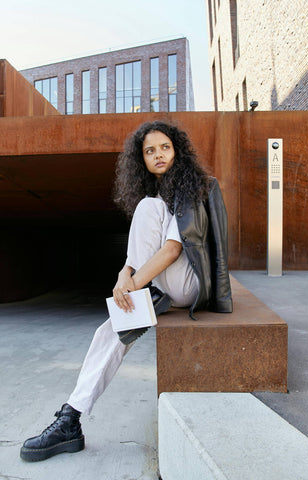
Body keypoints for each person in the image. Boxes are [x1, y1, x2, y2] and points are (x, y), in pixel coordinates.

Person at [20, 120, 233, 462]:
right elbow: (148, 249)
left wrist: (130, 283)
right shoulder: (157, 196)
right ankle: (70, 419)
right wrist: (124, 275)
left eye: (164, 147)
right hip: (166, 283)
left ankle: (129, 300)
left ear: (176, 150)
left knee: (147, 209)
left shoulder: (192, 188)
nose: (158, 155)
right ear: (142, 161)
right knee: (109, 331)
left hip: (192, 285)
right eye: (150, 151)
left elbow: (172, 251)